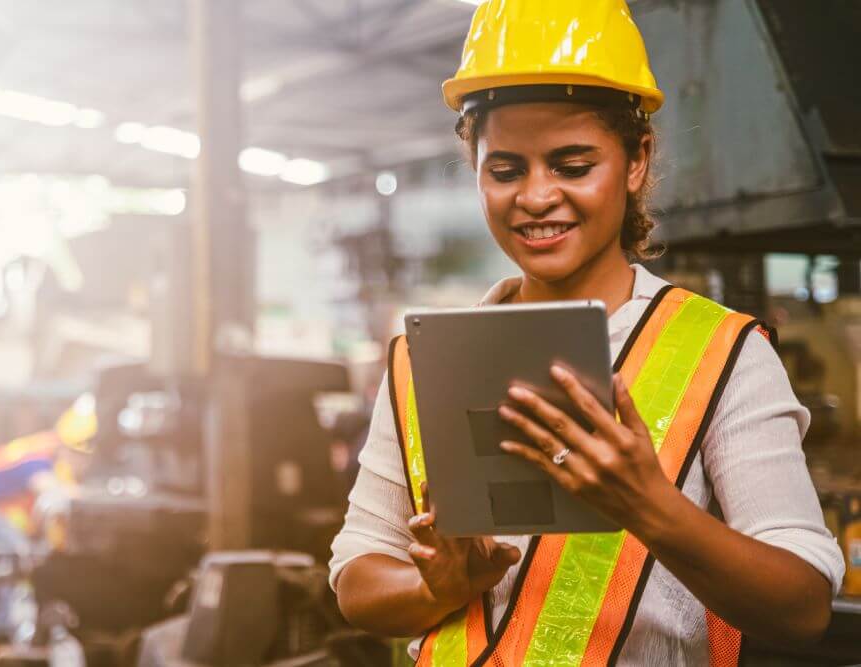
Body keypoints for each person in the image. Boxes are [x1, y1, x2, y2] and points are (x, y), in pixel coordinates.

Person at [329, 1, 845, 664]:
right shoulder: (422, 358)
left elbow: (802, 606)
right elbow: (357, 577)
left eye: (572, 166)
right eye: (505, 169)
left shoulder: (722, 352)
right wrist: (439, 587)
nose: (536, 196)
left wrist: (651, 506)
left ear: (637, 160)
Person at [0, 393, 98, 561]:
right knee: (16, 551)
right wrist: (92, 496)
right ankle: (12, 586)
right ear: (65, 448)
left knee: (22, 548)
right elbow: (52, 489)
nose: (82, 463)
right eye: (78, 455)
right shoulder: (37, 457)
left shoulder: (49, 447)